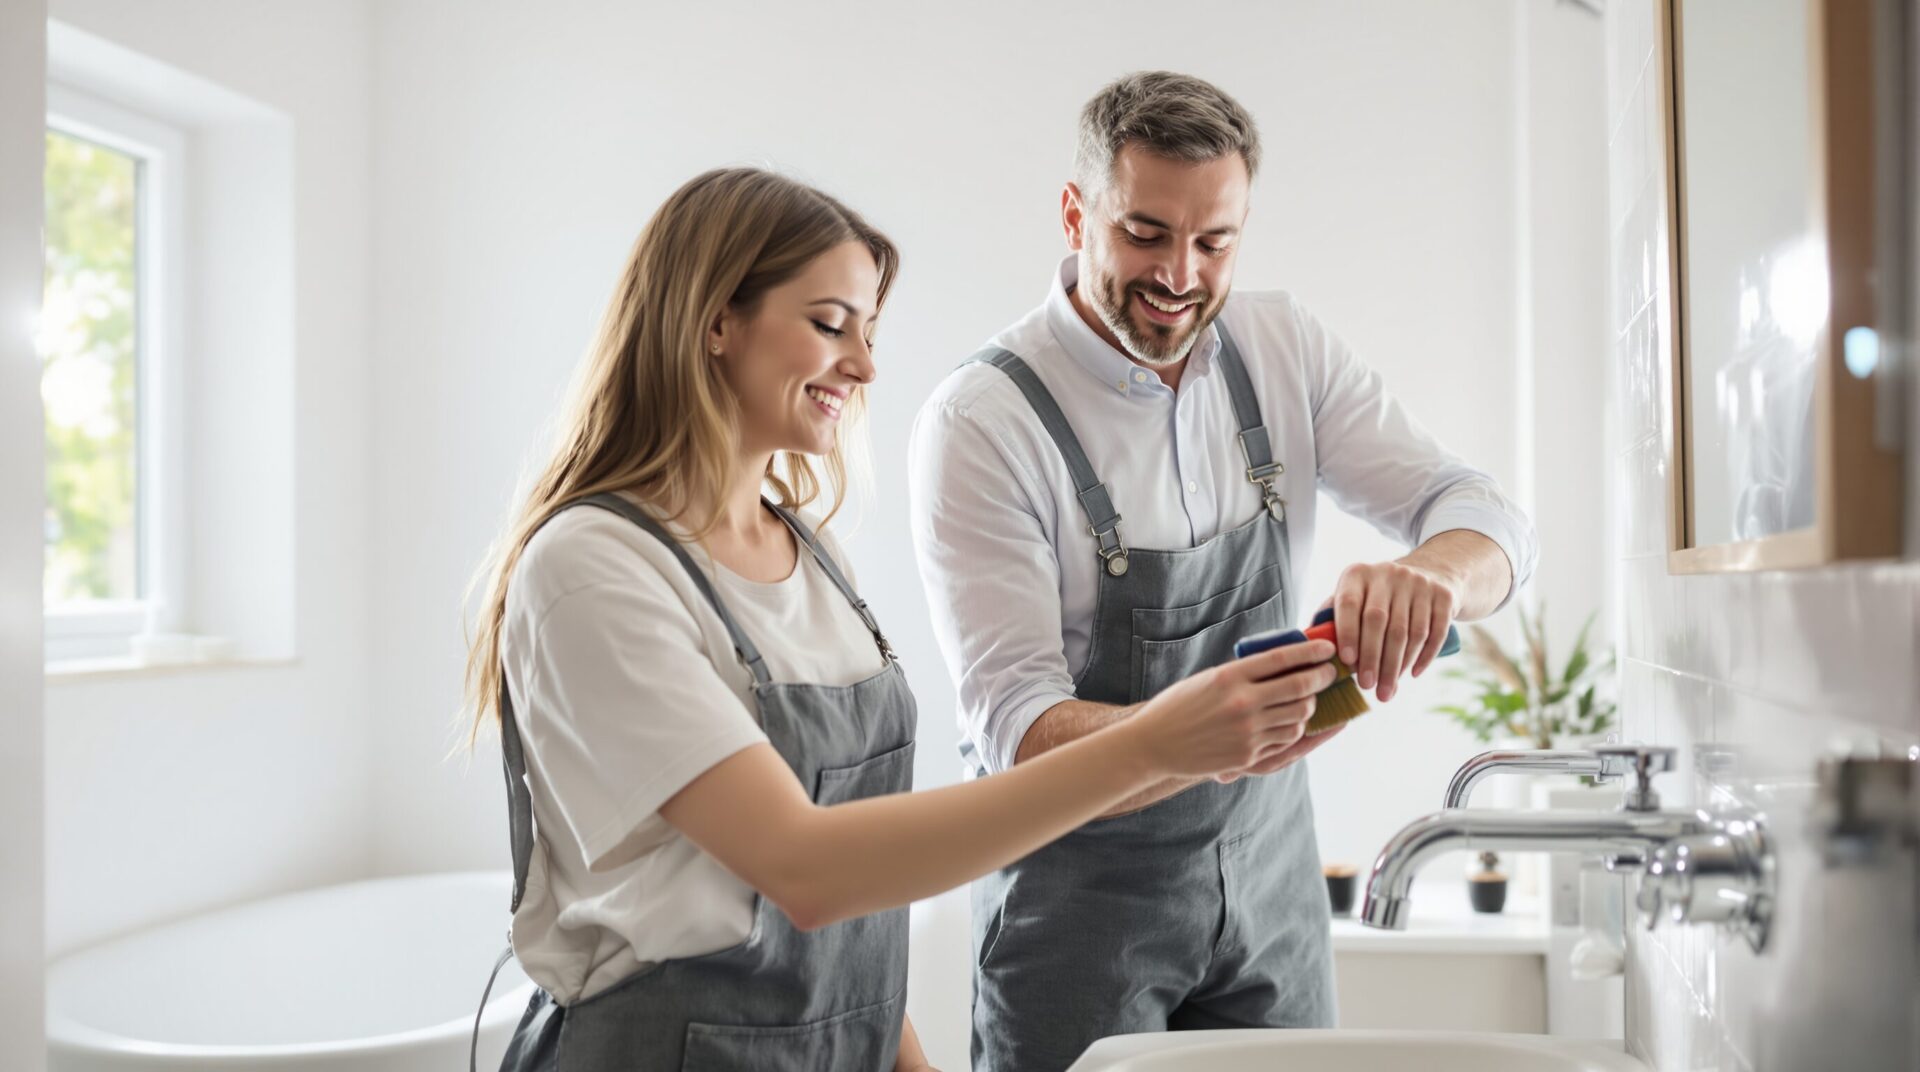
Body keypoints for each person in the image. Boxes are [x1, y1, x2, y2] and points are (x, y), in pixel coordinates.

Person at [463, 166, 1341, 1072]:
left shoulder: (813, 558)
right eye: (829, 324)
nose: (865, 365)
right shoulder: (595, 568)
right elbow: (810, 870)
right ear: (715, 320)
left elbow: (853, 935)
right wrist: (1159, 742)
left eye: (870, 331)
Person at [908, 71, 1539, 1071]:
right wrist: (1194, 736)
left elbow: (1488, 518)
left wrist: (1433, 579)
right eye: (1145, 234)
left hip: (1273, 884)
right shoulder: (983, 422)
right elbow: (1022, 737)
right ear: (1076, 214)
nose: (1180, 275)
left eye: (1215, 242)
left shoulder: (1280, 343)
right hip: (1078, 909)